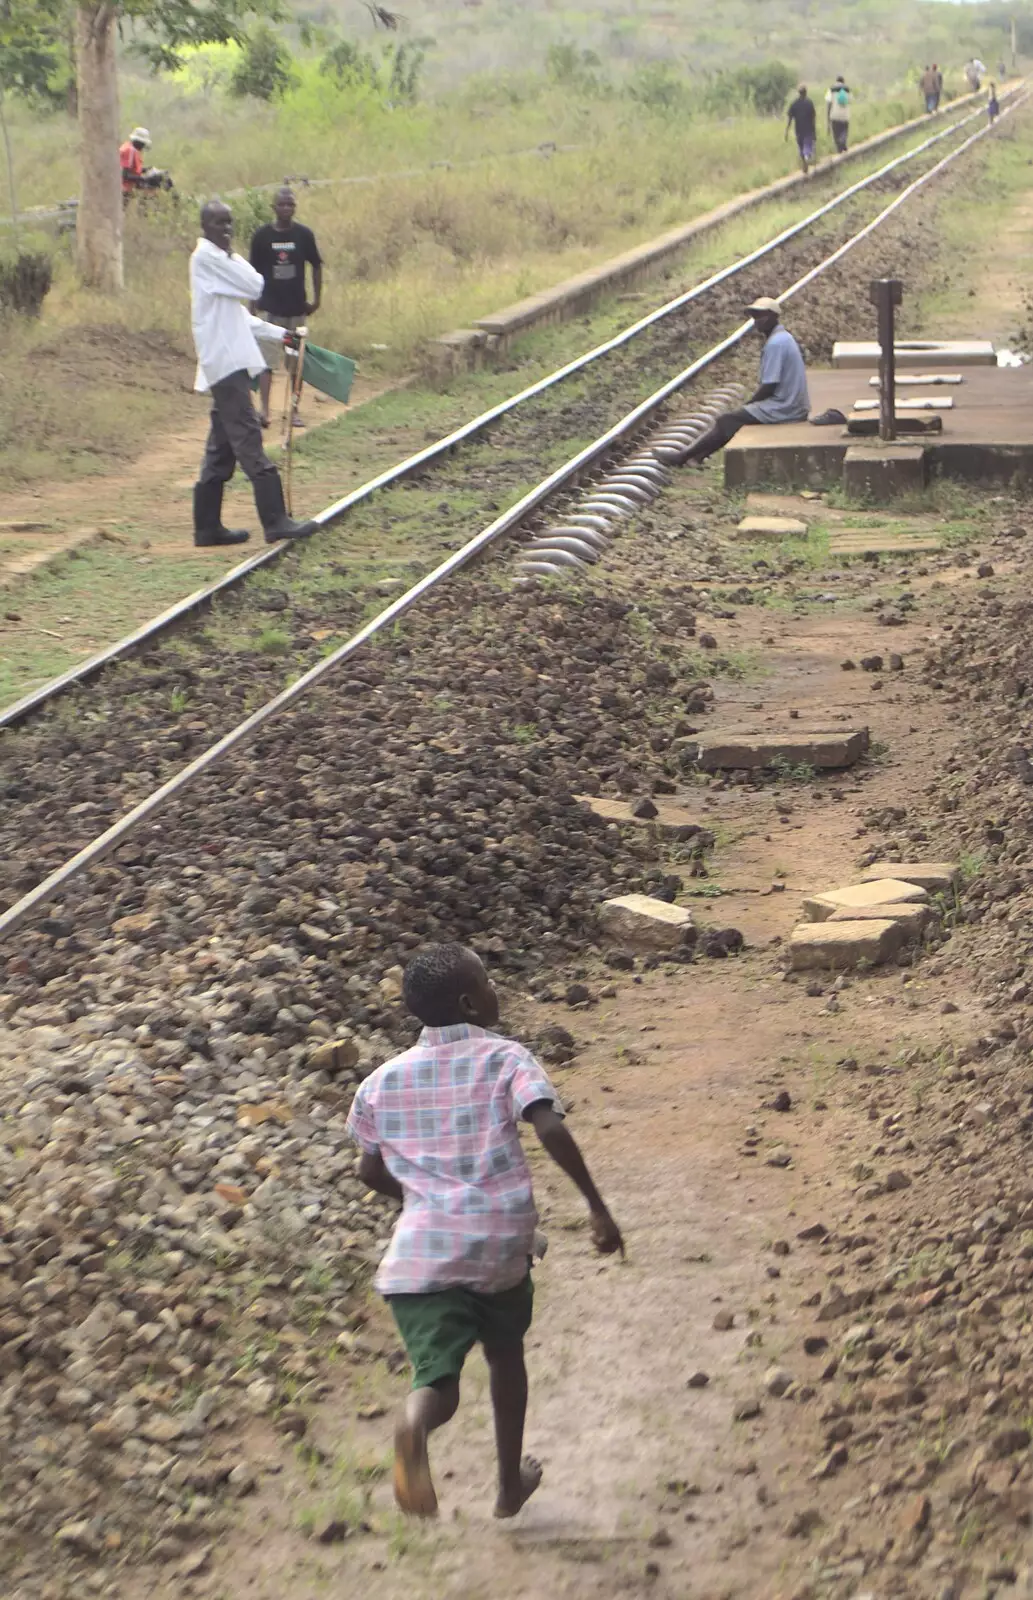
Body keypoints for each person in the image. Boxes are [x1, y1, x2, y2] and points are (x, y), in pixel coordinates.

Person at [346, 942, 624, 1520]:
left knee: (437, 1379)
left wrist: (426, 1198)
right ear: (472, 1002)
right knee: (504, 1355)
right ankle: (506, 1486)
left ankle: (414, 1423)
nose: (497, 990)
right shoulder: (506, 1058)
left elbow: (369, 1169)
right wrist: (596, 1206)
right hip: (497, 1245)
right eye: (490, 982)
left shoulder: (380, 1082)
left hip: (419, 1259)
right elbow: (547, 1127)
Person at [189, 199, 317, 547]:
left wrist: (282, 335)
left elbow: (240, 317)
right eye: (218, 224)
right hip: (225, 365)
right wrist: (231, 253)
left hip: (228, 363)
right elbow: (255, 286)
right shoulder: (209, 259)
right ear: (204, 227)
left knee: (221, 447)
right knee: (248, 439)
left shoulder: (216, 263)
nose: (226, 230)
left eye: (230, 224)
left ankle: (207, 527)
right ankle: (275, 521)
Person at [668, 297, 810, 468]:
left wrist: (749, 405)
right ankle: (695, 458)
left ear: (773, 316)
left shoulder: (776, 343)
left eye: (761, 316)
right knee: (729, 419)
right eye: (755, 317)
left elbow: (769, 385)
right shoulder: (783, 338)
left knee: (728, 419)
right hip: (791, 403)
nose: (757, 321)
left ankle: (683, 457)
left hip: (786, 406)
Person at [249, 187, 323, 430]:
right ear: (274, 207)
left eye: (290, 205)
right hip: (270, 310)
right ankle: (265, 411)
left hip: (296, 309)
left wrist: (316, 299)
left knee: (296, 364)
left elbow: (316, 265)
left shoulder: (303, 235)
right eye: (282, 205)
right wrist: (252, 305)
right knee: (266, 364)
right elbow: (253, 274)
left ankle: (294, 411)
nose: (286, 209)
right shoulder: (262, 237)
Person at [785, 85, 817, 174]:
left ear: (799, 93)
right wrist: (814, 131)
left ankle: (804, 161)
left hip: (798, 129)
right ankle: (807, 157)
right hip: (808, 129)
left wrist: (787, 131)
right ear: (806, 93)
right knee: (807, 146)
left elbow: (790, 118)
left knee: (801, 146)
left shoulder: (794, 104)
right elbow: (813, 117)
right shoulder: (809, 103)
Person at [119, 127, 151, 201]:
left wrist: (145, 170)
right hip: (123, 190)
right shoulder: (129, 151)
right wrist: (143, 179)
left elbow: (130, 168)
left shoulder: (128, 147)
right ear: (138, 142)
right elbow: (125, 175)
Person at [825, 76, 851, 153]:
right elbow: (850, 100)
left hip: (834, 115)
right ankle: (842, 142)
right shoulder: (847, 89)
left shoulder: (831, 89)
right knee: (844, 131)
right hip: (845, 115)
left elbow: (828, 103)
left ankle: (839, 149)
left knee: (836, 133)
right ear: (843, 81)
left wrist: (828, 117)